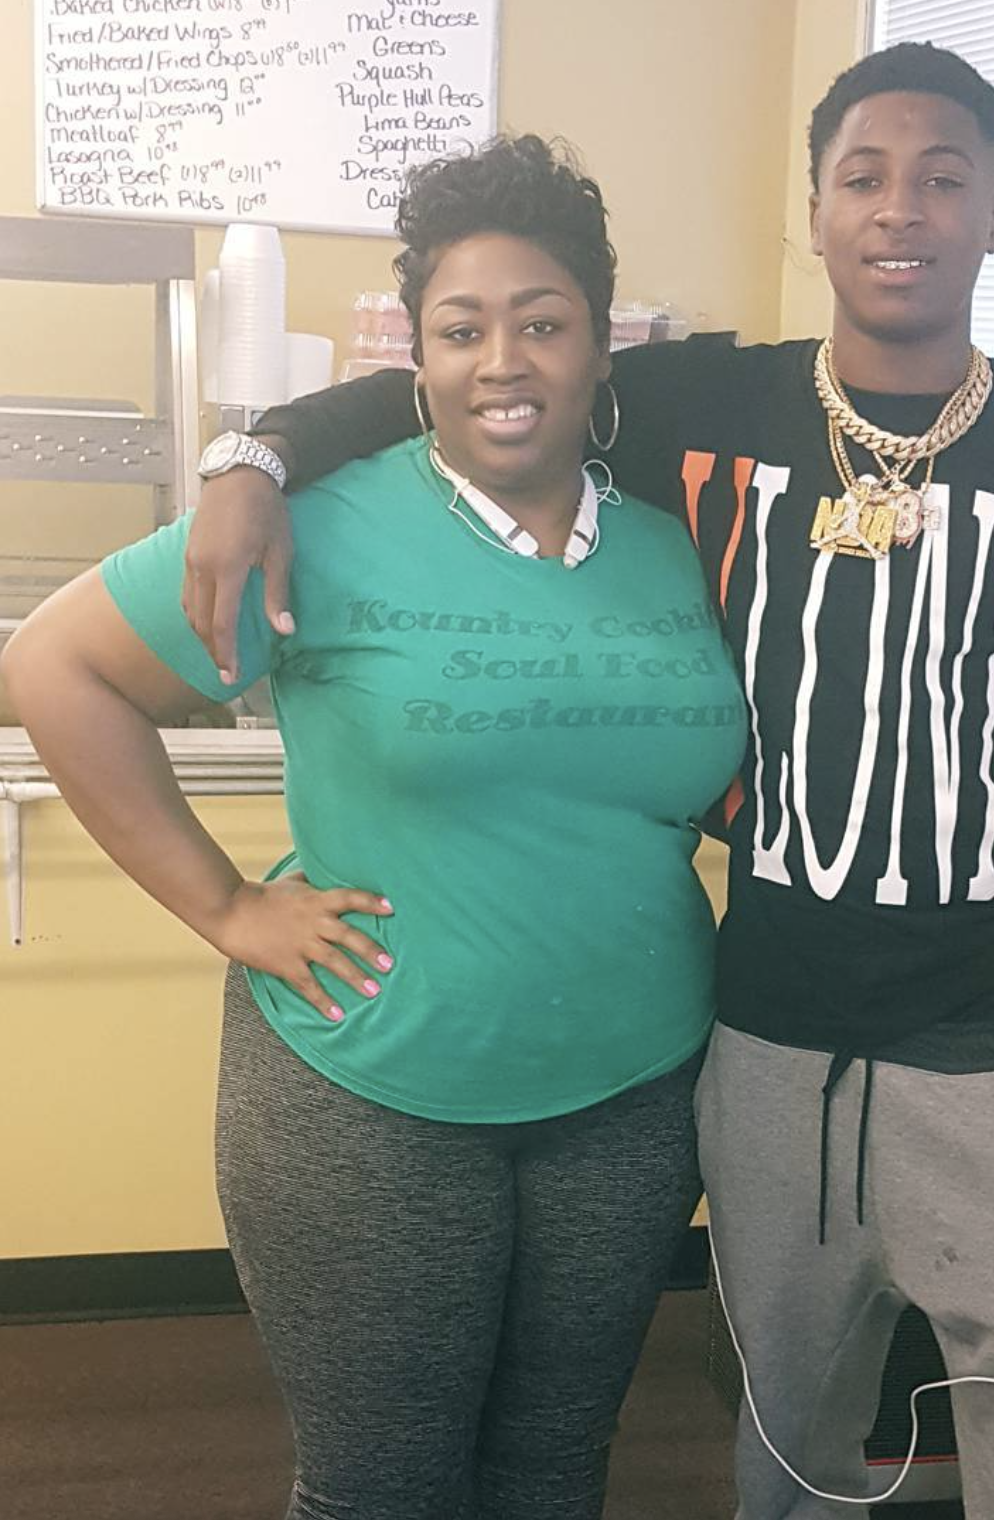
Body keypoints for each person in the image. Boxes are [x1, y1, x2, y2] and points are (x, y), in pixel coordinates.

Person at [179, 43, 994, 1520]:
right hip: (762, 1028)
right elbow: (469, 387)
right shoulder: (701, 405)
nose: (900, 210)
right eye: (863, 177)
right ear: (820, 210)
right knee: (782, 1434)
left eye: (942, 178)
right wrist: (248, 455)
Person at [1, 134, 748, 1520]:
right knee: (381, 1488)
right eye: (461, 329)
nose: (502, 361)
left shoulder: (676, 544)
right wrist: (225, 908)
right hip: (371, 1096)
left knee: (552, 1471)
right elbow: (55, 665)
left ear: (599, 348)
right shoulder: (316, 522)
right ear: (417, 355)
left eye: (541, 324)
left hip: (634, 1093)